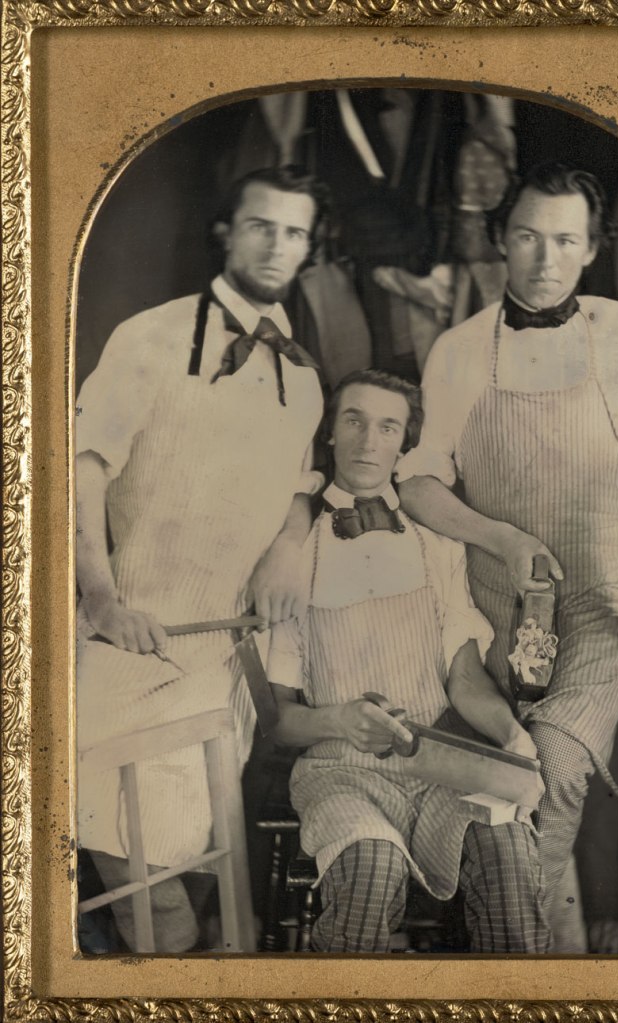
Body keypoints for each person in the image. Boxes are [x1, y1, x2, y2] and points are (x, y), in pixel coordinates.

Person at [397, 162, 618, 947]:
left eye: (564, 240)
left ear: (590, 249)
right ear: (501, 239)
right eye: (528, 237)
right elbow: (420, 484)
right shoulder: (459, 349)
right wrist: (498, 537)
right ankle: (524, 947)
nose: (544, 258)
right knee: (505, 779)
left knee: (556, 765)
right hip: (492, 611)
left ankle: (514, 954)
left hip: (601, 612)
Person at [76, 167, 327, 952]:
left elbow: (298, 485)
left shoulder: (306, 378)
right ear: (227, 229)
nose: (275, 244)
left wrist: (288, 544)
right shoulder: (149, 337)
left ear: (309, 244)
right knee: (140, 885)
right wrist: (103, 597)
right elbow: (77, 467)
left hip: (223, 657)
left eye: (293, 231)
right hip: (124, 645)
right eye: (260, 225)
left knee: (173, 879)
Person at [266, 369, 549, 953]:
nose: (369, 441)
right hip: (338, 776)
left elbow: (464, 678)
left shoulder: (436, 547)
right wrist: (340, 720)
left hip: (439, 768)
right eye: (354, 421)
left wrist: (511, 736)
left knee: (508, 850)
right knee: (370, 868)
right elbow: (279, 720)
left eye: (387, 426)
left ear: (403, 444)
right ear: (330, 436)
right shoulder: (298, 555)